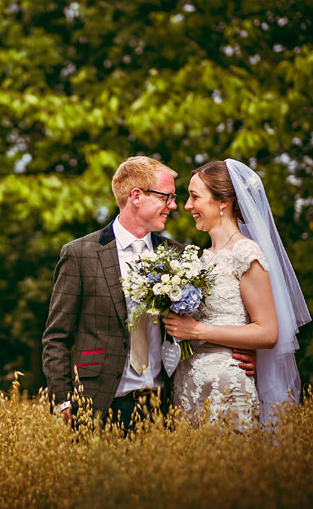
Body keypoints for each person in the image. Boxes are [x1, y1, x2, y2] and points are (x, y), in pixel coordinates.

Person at [42, 156, 257, 428]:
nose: (174, 206)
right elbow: (56, 338)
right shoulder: (80, 254)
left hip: (164, 407)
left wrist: (237, 356)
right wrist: (62, 399)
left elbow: (202, 323)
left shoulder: (180, 256)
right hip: (98, 404)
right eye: (166, 197)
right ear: (136, 196)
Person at [163, 159, 312, 426]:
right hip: (188, 387)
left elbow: (268, 332)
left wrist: (197, 331)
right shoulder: (201, 258)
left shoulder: (245, 253)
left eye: (195, 197)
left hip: (227, 389)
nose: (187, 206)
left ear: (223, 202)